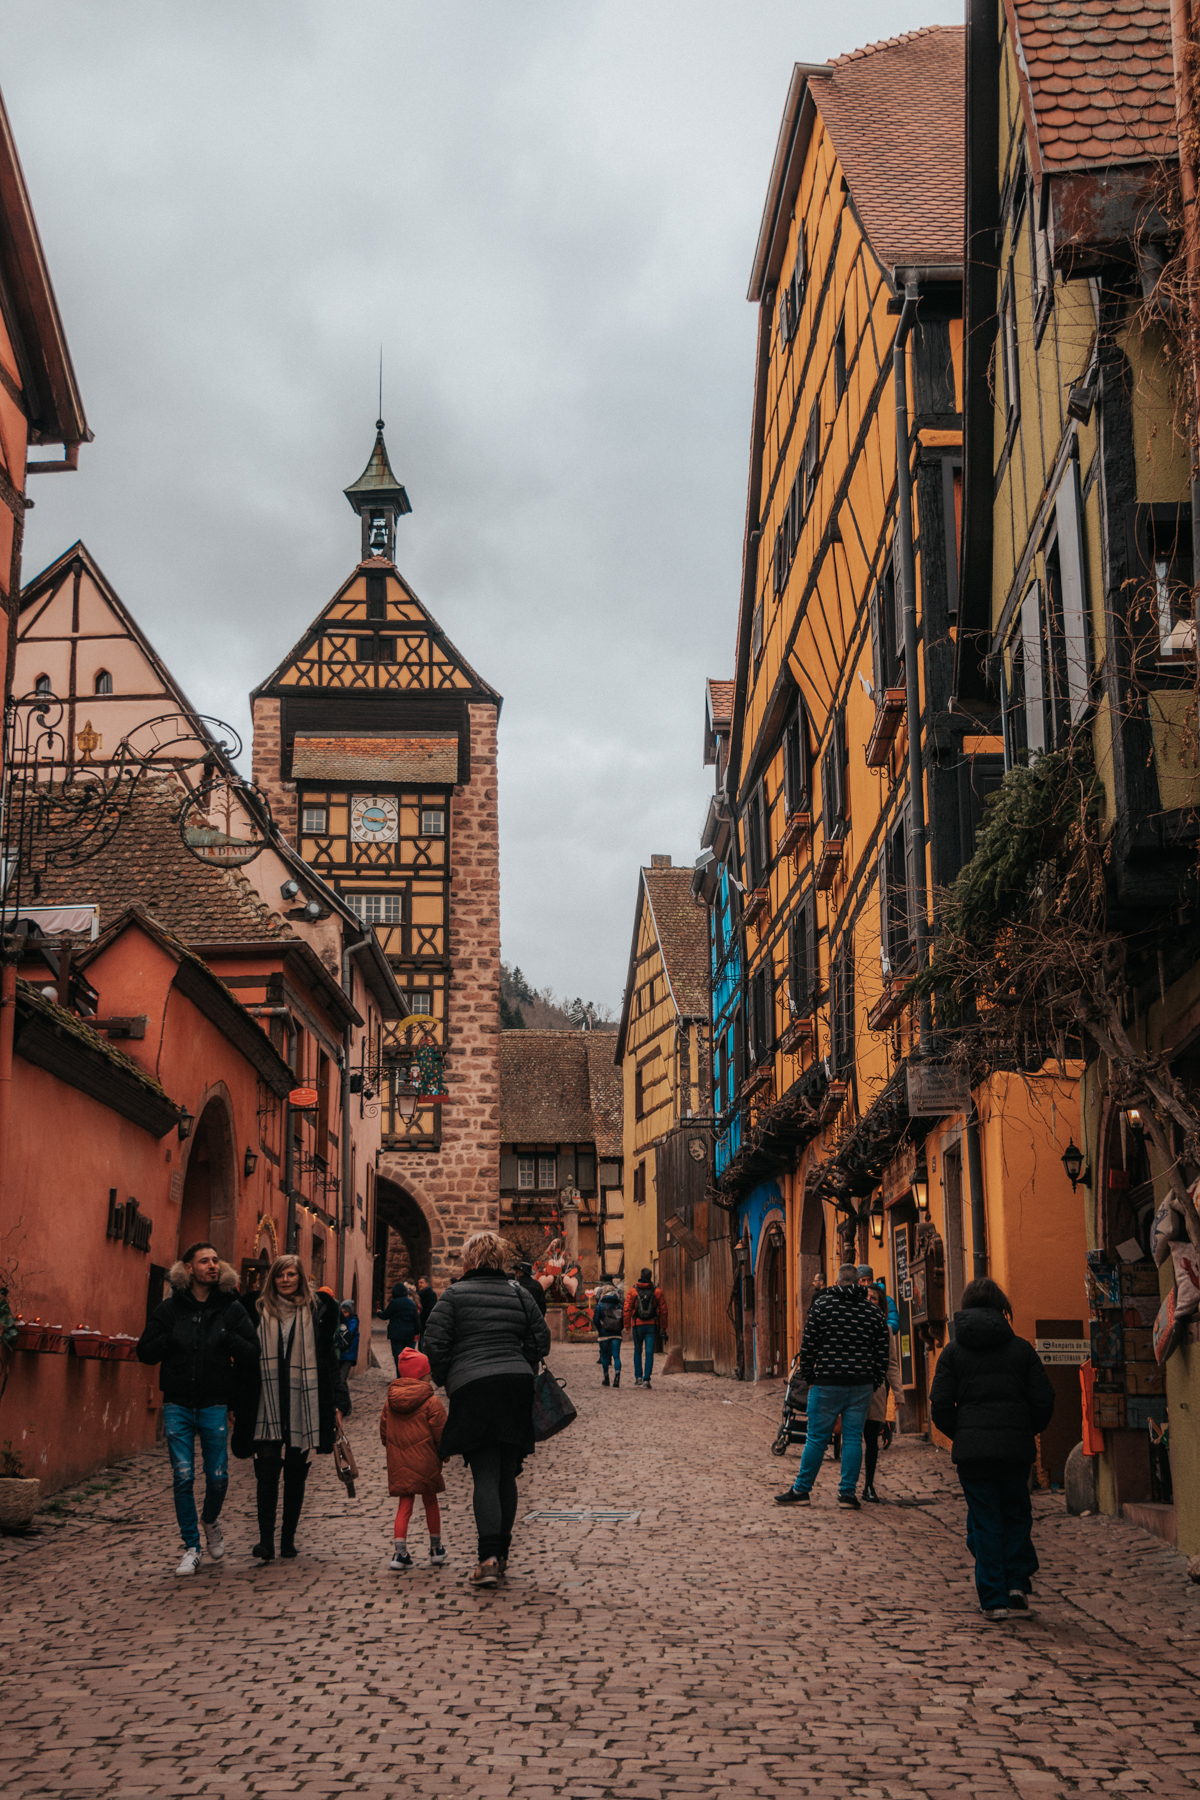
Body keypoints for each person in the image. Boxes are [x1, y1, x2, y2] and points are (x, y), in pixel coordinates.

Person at [423, 1229, 551, 1588]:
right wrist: (521, 1363)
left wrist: (451, 1375)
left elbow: (432, 1342)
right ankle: (502, 1554)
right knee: (506, 1473)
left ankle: (488, 1558)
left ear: (469, 1260)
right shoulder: (519, 1294)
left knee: (484, 1473)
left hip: (474, 1388)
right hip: (515, 1385)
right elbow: (541, 1339)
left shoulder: (453, 1295)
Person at [929, 1276, 1055, 1621]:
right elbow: (1044, 1398)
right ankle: (1016, 1584)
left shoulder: (953, 1352)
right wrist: (1026, 1429)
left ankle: (993, 1596)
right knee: (1015, 1513)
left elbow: (939, 1405)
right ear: (1002, 1308)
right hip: (1015, 1449)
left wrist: (964, 1433)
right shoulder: (1021, 1350)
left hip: (973, 1453)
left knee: (984, 1519)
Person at [137, 1241, 260, 1576]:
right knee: (183, 1476)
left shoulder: (230, 1308)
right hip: (177, 1402)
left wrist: (226, 1337)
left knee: (218, 1476)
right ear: (188, 1268)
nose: (212, 1265)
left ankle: (209, 1520)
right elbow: (145, 1351)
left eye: (216, 1260)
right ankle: (191, 1547)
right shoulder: (170, 1309)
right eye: (204, 1261)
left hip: (214, 1402)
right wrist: (171, 1339)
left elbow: (252, 1349)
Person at [237, 1255, 341, 1563]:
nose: (286, 1280)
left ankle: (288, 1540)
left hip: (303, 1401)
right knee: (267, 1473)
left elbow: (328, 1359)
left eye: (292, 1274)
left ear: (300, 1278)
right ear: (273, 1278)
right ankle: (265, 1541)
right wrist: (237, 1400)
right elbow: (243, 1360)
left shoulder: (316, 1310)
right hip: (266, 1400)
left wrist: (338, 1402)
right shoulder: (255, 1310)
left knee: (296, 1475)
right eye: (280, 1274)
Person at [775, 1262, 889, 1510]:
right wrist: (874, 1381)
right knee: (851, 1439)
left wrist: (811, 1376)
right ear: (859, 1282)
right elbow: (883, 1353)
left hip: (826, 1383)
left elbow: (808, 1346)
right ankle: (847, 1494)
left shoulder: (822, 1306)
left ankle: (802, 1490)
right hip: (860, 1385)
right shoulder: (873, 1313)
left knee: (816, 1438)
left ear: (837, 1282)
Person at [380, 1346, 448, 1570]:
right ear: (422, 1375)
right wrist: (443, 1453)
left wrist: (394, 1449)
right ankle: (436, 1549)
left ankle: (399, 1554)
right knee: (430, 1502)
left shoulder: (390, 1402)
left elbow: (384, 1432)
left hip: (400, 1463)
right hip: (427, 1461)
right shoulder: (432, 1402)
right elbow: (441, 1432)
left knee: (404, 1506)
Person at [862, 1283, 904, 1502]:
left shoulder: (886, 1330)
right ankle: (847, 1487)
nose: (869, 1301)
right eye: (866, 1298)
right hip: (854, 1389)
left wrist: (898, 1393)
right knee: (851, 1439)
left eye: (874, 1299)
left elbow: (892, 1364)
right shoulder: (855, 1324)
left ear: (881, 1307)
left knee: (871, 1440)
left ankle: (869, 1485)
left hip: (876, 1391)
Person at [623, 1267, 667, 1389]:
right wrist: (664, 1327)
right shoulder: (657, 1291)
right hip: (651, 1325)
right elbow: (663, 1310)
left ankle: (638, 1377)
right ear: (651, 1276)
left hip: (637, 1325)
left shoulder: (633, 1291)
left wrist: (627, 1325)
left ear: (641, 1276)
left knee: (637, 1350)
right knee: (649, 1353)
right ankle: (646, 1379)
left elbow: (627, 1309)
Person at [383, 1280, 421, 1373]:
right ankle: (407, 1374)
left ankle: (400, 1376)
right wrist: (417, 1331)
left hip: (396, 1334)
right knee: (407, 1356)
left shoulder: (394, 1303)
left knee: (398, 1356)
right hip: (409, 1333)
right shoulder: (411, 1303)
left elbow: (385, 1315)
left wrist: (379, 1312)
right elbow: (416, 1319)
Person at [592, 1282, 624, 1388]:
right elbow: (623, 1320)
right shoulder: (619, 1305)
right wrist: (619, 1329)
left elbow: (596, 1320)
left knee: (605, 1356)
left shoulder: (601, 1305)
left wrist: (601, 1330)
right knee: (616, 1356)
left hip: (604, 1335)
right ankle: (617, 1376)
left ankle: (606, 1378)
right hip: (616, 1335)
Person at [857, 1263, 901, 1333]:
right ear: (858, 1282)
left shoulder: (887, 1300)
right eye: (863, 1280)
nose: (867, 1283)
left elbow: (894, 1323)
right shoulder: (856, 1298)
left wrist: (878, 1328)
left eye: (869, 1279)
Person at [336, 1300, 360, 1417]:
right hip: (341, 1355)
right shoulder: (341, 1322)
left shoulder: (352, 1322)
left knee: (342, 1380)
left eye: (345, 1312)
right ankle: (343, 1404)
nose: (343, 1314)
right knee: (340, 1380)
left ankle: (346, 1405)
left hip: (348, 1355)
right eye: (342, 1311)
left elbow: (347, 1335)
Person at [415, 1275, 437, 1345]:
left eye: (421, 1283)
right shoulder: (419, 1294)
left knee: (423, 1344)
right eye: (419, 1283)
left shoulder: (431, 1294)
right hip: (421, 1322)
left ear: (427, 1283)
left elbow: (430, 1309)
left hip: (425, 1322)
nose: (419, 1285)